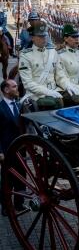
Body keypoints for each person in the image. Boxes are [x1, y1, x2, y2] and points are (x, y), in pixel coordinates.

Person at [18, 17, 63, 111]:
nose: (44, 39)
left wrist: (69, 86)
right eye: (40, 36)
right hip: (37, 95)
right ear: (32, 37)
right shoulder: (26, 56)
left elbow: (60, 75)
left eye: (45, 36)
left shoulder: (52, 52)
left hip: (55, 91)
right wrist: (47, 92)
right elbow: (28, 83)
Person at [0, 79, 24, 215]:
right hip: (7, 150)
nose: (17, 88)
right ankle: (6, 206)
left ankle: (19, 204)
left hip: (21, 149)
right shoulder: (0, 108)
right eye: (14, 86)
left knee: (21, 177)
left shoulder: (19, 105)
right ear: (6, 90)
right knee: (7, 179)